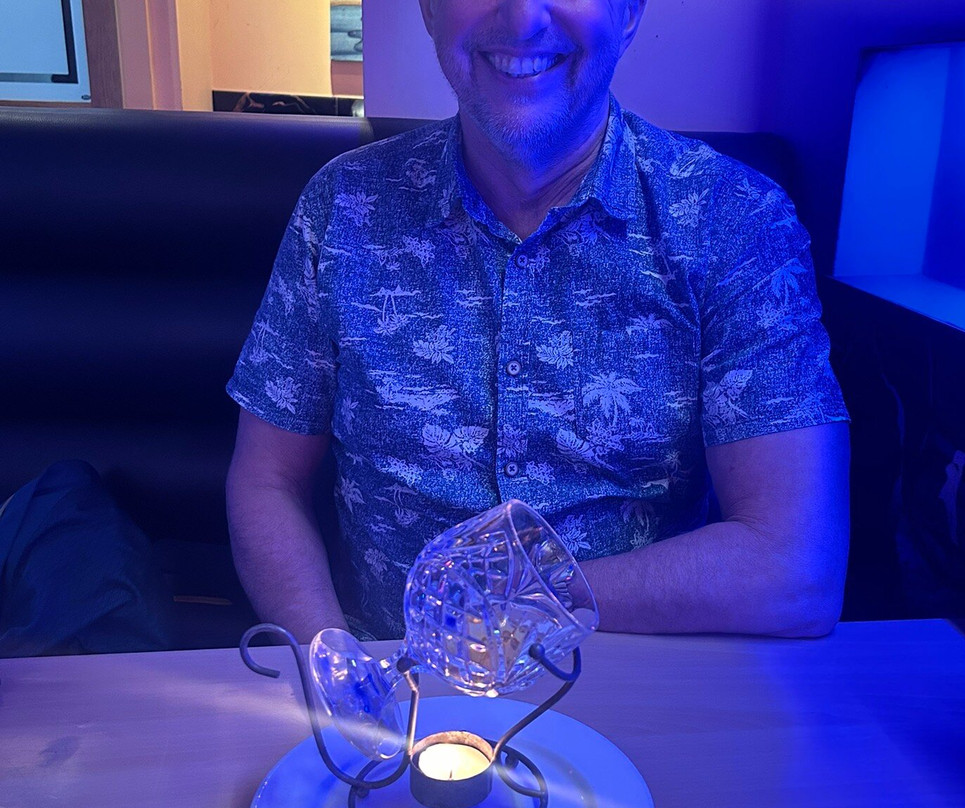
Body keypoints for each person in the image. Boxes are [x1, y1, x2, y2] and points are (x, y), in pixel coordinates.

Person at [225, 0, 850, 644]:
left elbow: (794, 567)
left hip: (639, 679)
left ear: (629, 13)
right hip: (392, 679)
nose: (523, 19)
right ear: (430, 10)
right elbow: (268, 482)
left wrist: (510, 599)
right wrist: (336, 667)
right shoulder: (342, 204)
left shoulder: (734, 220)